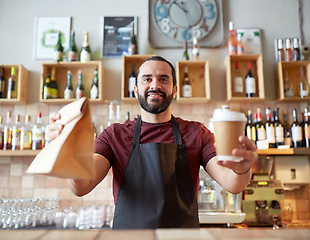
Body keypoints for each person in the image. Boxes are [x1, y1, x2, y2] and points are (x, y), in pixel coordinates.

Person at [48, 56, 258, 229]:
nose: (155, 85)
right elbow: (82, 186)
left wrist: (241, 169)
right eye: (147, 79)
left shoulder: (197, 133)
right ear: (136, 89)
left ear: (175, 90)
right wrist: (68, 153)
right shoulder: (114, 135)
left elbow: (232, 184)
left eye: (163, 79)